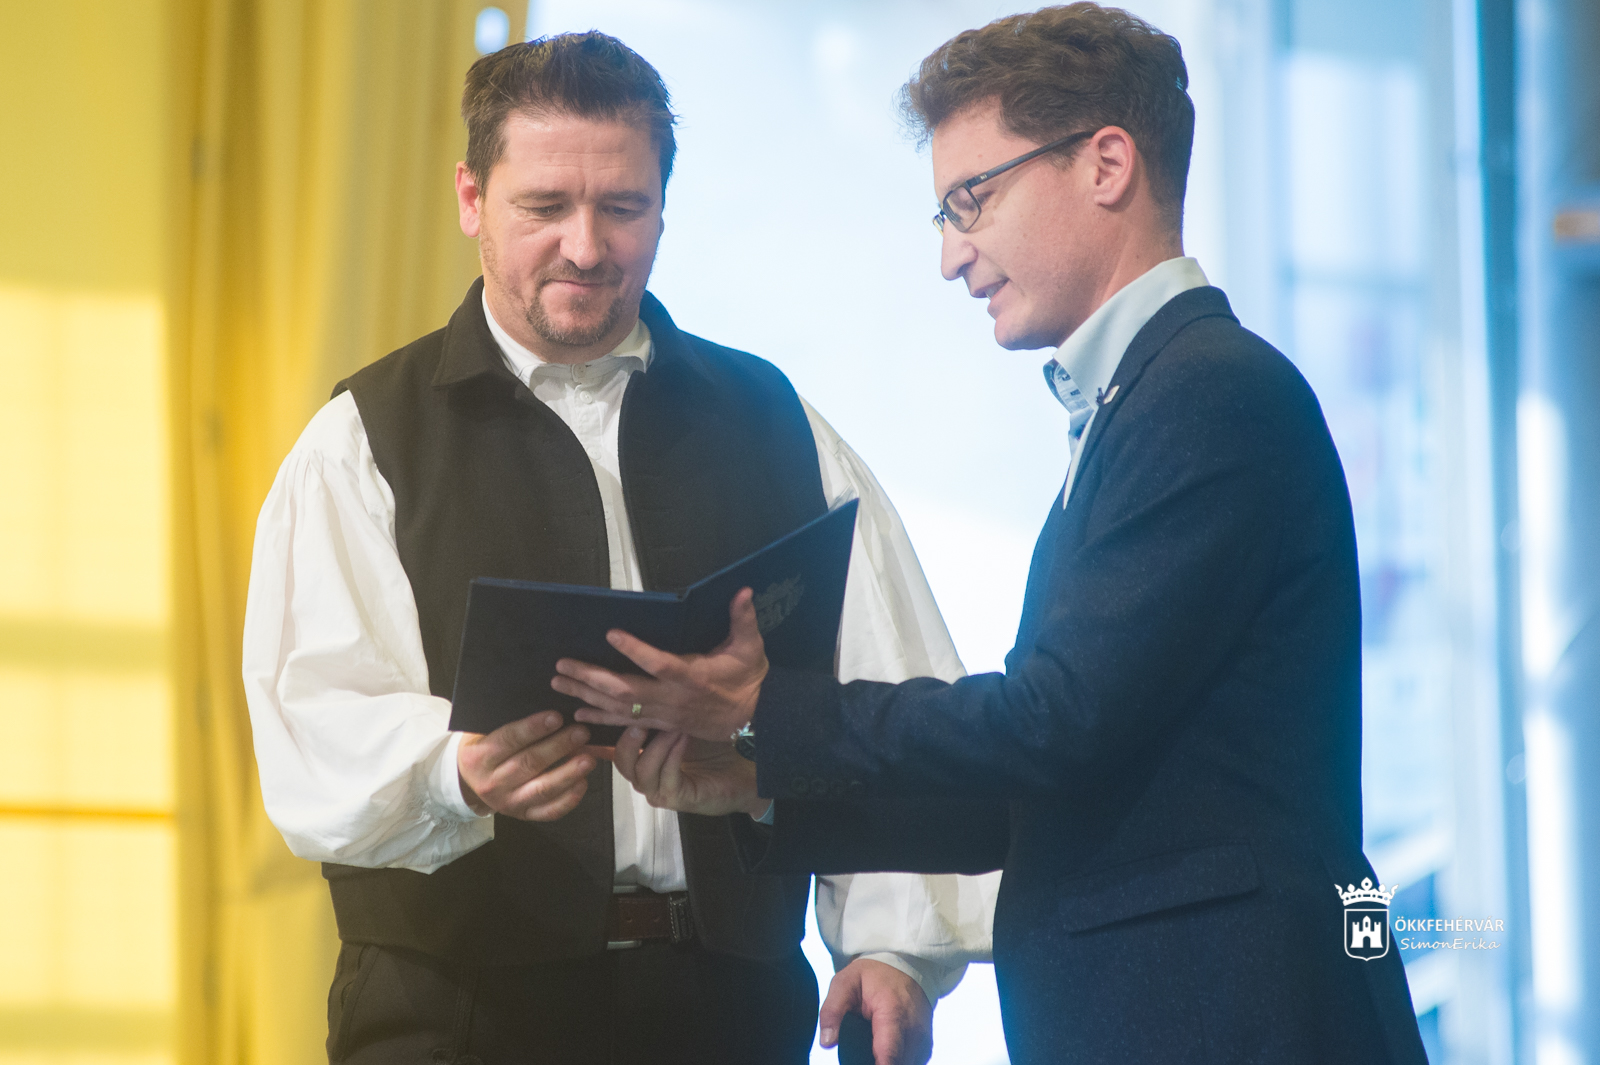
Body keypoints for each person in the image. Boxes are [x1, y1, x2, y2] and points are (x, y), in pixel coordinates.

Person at [551, 6, 1432, 1064]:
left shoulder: (1208, 393)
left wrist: (765, 711)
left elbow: (1054, 721)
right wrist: (759, 781)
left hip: (1232, 1018)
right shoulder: (1147, 398)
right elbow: (1041, 792)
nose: (950, 255)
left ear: (1107, 164)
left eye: (971, 199)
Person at [241, 32, 995, 1065]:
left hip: (725, 1007)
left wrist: (895, 944)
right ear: (472, 199)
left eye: (623, 208)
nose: (587, 247)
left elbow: (891, 688)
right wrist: (455, 769)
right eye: (545, 206)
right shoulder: (362, 440)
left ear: (663, 210)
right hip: (454, 1014)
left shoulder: (774, 421)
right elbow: (314, 719)